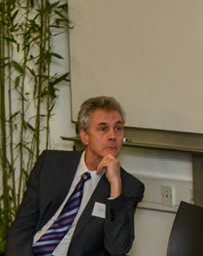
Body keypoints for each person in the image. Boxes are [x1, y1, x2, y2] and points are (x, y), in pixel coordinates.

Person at [6, 96, 145, 256]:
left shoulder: (128, 187)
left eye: (118, 129)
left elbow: (117, 249)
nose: (113, 136)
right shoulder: (50, 163)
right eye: (103, 129)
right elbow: (23, 224)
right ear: (84, 136)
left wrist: (115, 190)